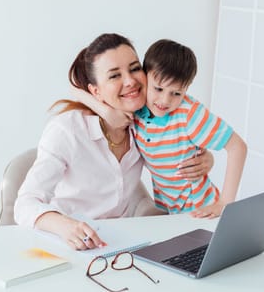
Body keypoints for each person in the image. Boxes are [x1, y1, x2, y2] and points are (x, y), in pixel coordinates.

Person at [13, 33, 214, 251]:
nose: (130, 81)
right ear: (95, 91)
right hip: (67, 245)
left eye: (135, 68)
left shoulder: (147, 125)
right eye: (114, 75)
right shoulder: (67, 130)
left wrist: (205, 158)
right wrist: (66, 226)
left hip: (120, 245)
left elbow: (177, 154)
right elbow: (24, 205)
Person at [75, 39, 247, 218]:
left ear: (186, 89)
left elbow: (237, 146)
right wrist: (106, 112)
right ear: (145, 77)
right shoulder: (138, 109)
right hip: (169, 213)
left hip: (200, 210)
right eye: (158, 89)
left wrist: (225, 202)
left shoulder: (189, 114)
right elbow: (80, 92)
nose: (165, 101)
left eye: (176, 93)